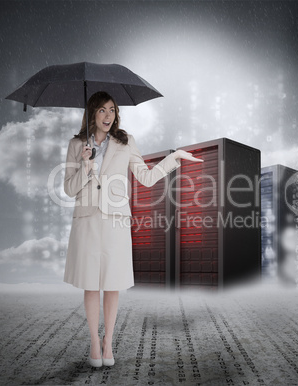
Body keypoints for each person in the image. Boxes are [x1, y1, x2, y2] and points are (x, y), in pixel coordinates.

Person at [63, 91, 202, 368]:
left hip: (115, 220)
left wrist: (174, 158)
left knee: (112, 284)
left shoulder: (126, 142)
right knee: (91, 285)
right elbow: (68, 189)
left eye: (112, 110)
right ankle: (93, 341)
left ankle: (108, 341)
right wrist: (86, 165)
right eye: (101, 111)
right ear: (91, 113)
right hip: (87, 220)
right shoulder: (77, 144)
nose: (108, 116)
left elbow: (146, 177)